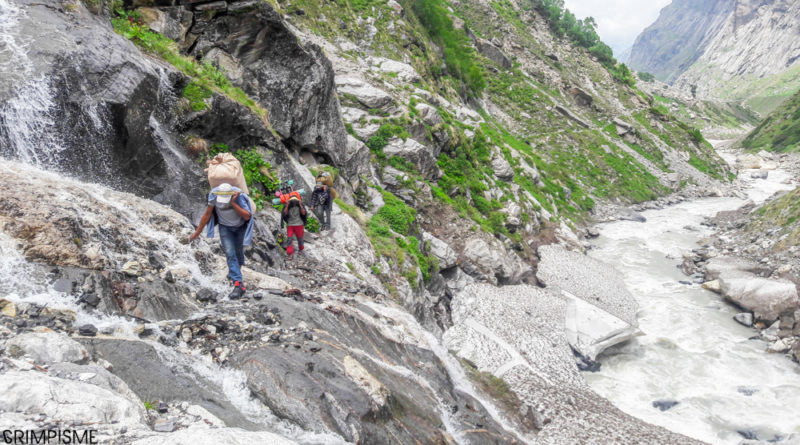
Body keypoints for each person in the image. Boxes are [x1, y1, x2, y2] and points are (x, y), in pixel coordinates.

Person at [189, 183, 254, 299]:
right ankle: (238, 284)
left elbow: (247, 216)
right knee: (229, 252)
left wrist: (233, 203)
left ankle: (235, 273)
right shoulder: (213, 196)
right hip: (225, 228)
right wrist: (197, 233)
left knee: (238, 251)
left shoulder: (238, 196)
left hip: (240, 227)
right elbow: (207, 214)